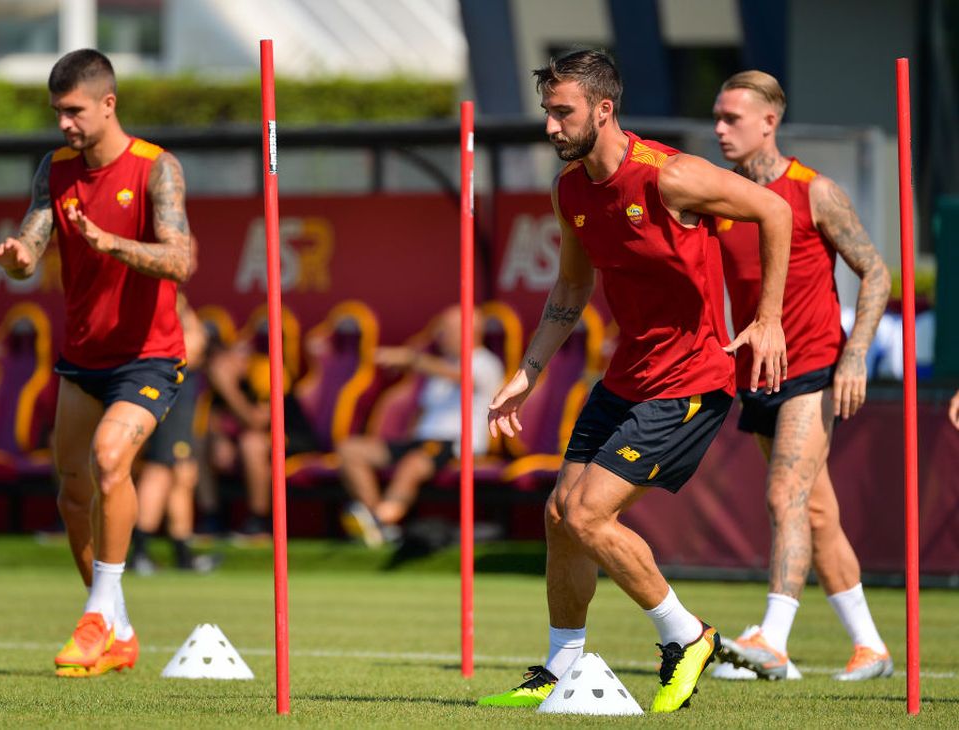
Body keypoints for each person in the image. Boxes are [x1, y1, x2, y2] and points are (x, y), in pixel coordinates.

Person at [477, 50, 791, 713]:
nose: (551, 126)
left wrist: (766, 320)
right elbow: (570, 285)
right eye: (547, 112)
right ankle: (560, 669)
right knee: (561, 517)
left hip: (694, 382)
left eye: (562, 112)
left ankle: (687, 636)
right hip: (628, 378)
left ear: (603, 109)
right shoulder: (570, 190)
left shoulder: (672, 176)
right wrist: (525, 374)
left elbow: (775, 212)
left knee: (590, 513)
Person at [0, 49, 192, 677]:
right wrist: (17, 257)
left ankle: (98, 617)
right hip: (82, 356)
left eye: (73, 111)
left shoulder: (157, 169)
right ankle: (117, 626)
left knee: (108, 460)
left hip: (148, 357)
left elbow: (180, 259)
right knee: (74, 493)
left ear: (108, 103)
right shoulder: (56, 168)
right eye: (57, 113)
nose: (64, 124)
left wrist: (113, 244)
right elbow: (33, 241)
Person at [712, 70, 893, 682]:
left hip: (814, 365)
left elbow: (876, 272)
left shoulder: (815, 191)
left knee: (783, 495)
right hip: (755, 374)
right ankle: (872, 647)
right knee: (816, 513)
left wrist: (856, 354)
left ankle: (775, 641)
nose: (719, 128)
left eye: (731, 118)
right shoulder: (724, 197)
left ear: (769, 122)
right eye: (717, 116)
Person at [335, 306, 504, 547]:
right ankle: (378, 523)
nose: (441, 336)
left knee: (412, 464)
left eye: (446, 330)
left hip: (456, 444)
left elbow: (462, 377)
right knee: (350, 450)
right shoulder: (441, 365)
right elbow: (423, 410)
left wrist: (413, 359)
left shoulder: (486, 362)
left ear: (470, 331)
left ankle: (382, 519)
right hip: (421, 442)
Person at [129, 293, 219, 573]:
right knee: (160, 470)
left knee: (183, 473)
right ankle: (140, 551)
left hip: (175, 394)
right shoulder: (165, 295)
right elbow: (189, 352)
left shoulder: (173, 296)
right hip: (168, 393)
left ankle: (182, 552)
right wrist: (194, 328)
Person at [205, 324, 320, 540]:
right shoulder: (220, 382)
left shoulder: (266, 370)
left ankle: (259, 521)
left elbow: (258, 422)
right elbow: (214, 421)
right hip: (252, 440)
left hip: (293, 438)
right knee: (201, 444)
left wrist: (228, 388)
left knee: (252, 443)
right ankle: (213, 517)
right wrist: (219, 439)